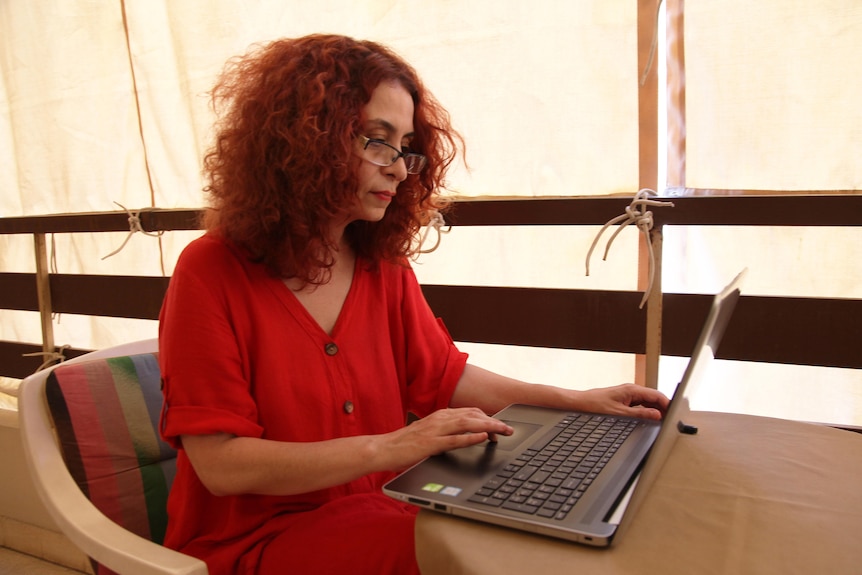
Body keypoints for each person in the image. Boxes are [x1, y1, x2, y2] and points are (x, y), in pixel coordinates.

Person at [158, 33, 669, 575]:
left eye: (404, 147)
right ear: (305, 141)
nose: (400, 170)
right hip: (253, 545)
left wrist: (574, 401)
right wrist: (394, 447)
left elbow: (443, 378)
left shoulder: (381, 266)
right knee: (488, 553)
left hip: (383, 511)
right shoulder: (209, 270)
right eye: (377, 141)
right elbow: (222, 465)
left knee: (527, 532)